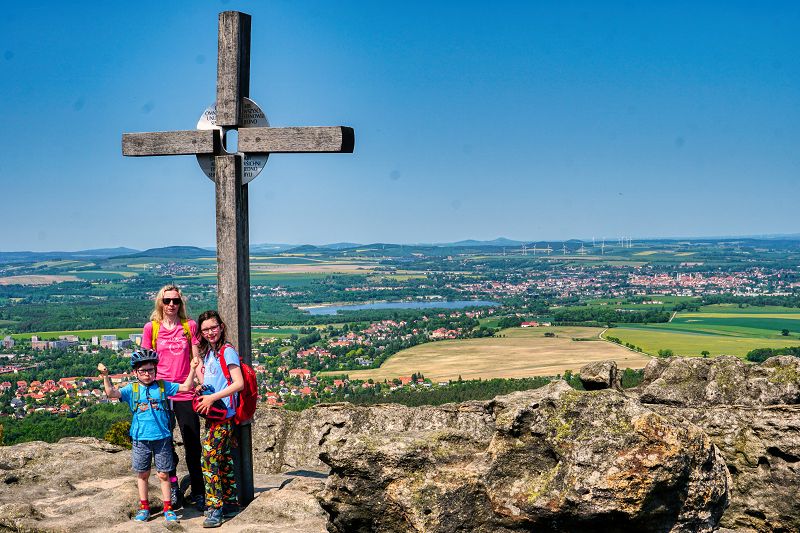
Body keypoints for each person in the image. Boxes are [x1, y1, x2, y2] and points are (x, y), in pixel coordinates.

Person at [99, 350, 200, 524]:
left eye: (150, 370)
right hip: (140, 439)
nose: (147, 374)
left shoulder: (162, 386)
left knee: (164, 475)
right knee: (143, 474)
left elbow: (186, 387)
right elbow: (111, 394)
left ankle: (168, 507)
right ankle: (144, 507)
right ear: (135, 372)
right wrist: (105, 376)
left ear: (155, 370)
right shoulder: (132, 388)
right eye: (143, 371)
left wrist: (191, 369)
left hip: (162, 438)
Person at [141, 285, 204, 510]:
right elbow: (144, 363)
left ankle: (199, 490)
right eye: (167, 300)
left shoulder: (190, 326)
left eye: (175, 301)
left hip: (185, 390)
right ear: (160, 302)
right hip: (161, 392)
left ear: (180, 303)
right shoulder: (152, 328)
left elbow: (196, 358)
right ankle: (174, 487)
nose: (171, 305)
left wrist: (202, 383)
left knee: (192, 443)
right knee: (165, 445)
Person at [195, 310, 244, 528]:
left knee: (208, 459)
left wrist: (212, 397)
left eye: (213, 328)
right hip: (214, 414)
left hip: (224, 416)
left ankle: (214, 508)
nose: (210, 332)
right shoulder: (210, 353)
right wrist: (202, 386)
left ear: (221, 327)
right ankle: (231, 503)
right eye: (205, 329)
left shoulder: (227, 351)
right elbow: (213, 381)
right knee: (222, 459)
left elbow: (238, 383)